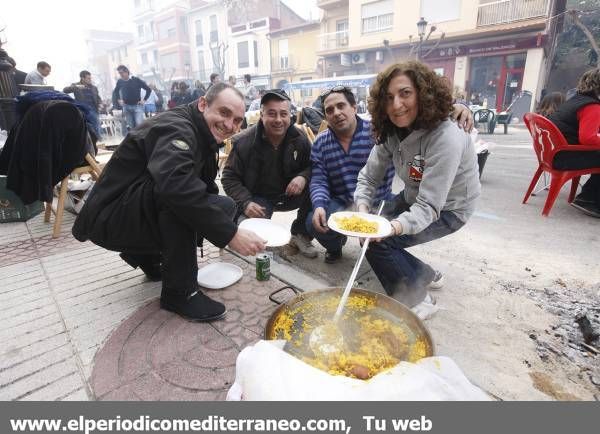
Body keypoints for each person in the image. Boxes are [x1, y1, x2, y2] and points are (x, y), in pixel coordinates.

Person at [72, 83, 266, 322]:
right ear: (203, 104)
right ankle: (180, 293)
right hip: (109, 219)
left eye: (237, 120)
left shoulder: (199, 128)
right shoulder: (178, 128)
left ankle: (148, 258)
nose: (229, 125)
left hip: (125, 211)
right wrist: (230, 235)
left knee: (223, 206)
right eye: (224, 113)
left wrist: (223, 222)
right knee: (177, 198)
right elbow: (176, 187)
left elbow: (203, 187)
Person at [354, 61, 481, 320]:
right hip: (414, 197)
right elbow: (368, 178)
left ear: (424, 93)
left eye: (405, 93)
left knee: (379, 242)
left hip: (448, 208)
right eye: (388, 97)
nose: (396, 105)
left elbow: (429, 207)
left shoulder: (447, 136)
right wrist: (363, 212)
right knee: (368, 233)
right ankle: (425, 274)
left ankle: (419, 300)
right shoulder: (392, 130)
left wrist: (388, 228)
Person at [308, 86, 474, 264]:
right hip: (345, 202)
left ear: (355, 107)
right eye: (330, 110)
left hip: (382, 201)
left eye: (341, 106)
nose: (336, 113)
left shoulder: (376, 131)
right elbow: (319, 179)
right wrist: (320, 204)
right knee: (314, 221)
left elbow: (428, 203)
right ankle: (336, 248)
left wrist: (459, 107)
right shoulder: (323, 142)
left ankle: (419, 274)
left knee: (380, 242)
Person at [221, 89, 318, 258]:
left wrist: (303, 177)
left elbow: (313, 165)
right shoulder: (244, 142)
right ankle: (239, 229)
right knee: (253, 240)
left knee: (317, 187)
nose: (278, 120)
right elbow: (229, 177)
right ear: (261, 115)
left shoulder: (300, 137)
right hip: (259, 199)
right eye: (272, 114)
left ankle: (300, 234)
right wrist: (245, 202)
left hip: (290, 193)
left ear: (290, 116)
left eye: (283, 114)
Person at [548, 68, 600, 218]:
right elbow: (588, 138)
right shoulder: (593, 106)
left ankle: (589, 195)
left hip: (554, 154)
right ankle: (588, 199)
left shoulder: (575, 100)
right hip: (564, 158)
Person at [111, 65, 151, 130]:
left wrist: (144, 100)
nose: (120, 75)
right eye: (119, 73)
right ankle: (134, 140)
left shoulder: (136, 80)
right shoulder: (120, 81)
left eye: (121, 73)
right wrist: (119, 99)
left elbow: (148, 89)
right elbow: (116, 91)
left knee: (139, 125)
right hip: (126, 107)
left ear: (126, 71)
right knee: (131, 127)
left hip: (137, 106)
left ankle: (140, 139)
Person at [63, 70, 102, 136]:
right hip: (82, 110)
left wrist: (100, 103)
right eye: (88, 78)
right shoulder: (75, 85)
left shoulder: (94, 87)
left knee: (96, 126)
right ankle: (94, 141)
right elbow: (65, 90)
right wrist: (76, 87)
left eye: (90, 78)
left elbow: (98, 97)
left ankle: (98, 141)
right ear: (82, 78)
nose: (90, 80)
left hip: (93, 110)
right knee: (86, 128)